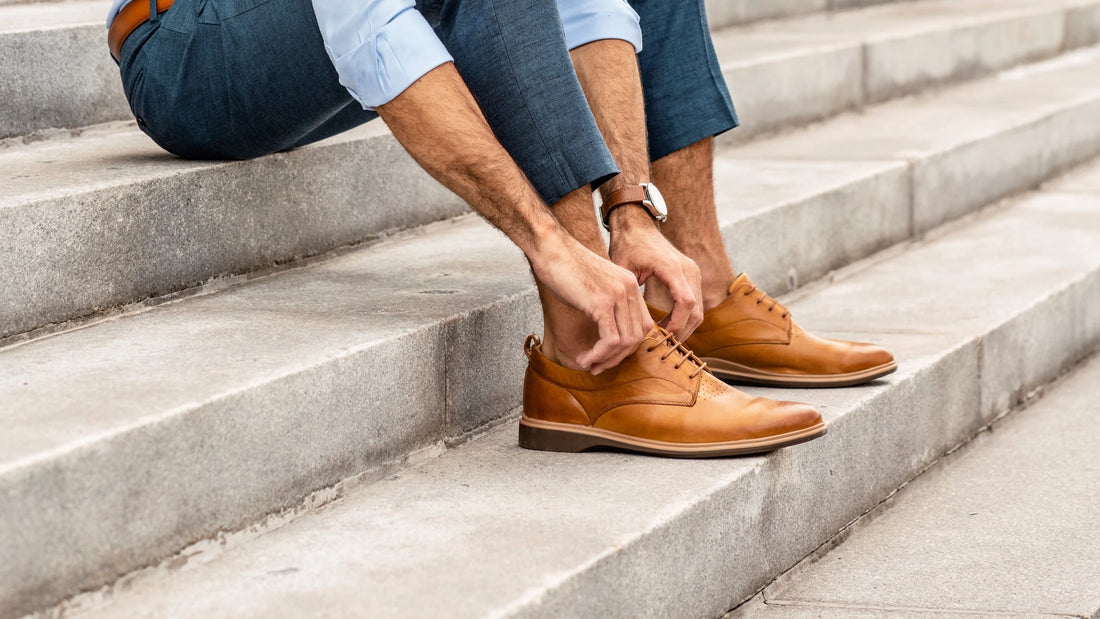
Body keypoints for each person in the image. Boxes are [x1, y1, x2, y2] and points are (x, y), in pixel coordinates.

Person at [107, 0, 896, 457]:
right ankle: (588, 350)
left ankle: (702, 290)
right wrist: (554, 245)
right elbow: (369, 24)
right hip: (186, 44)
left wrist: (629, 206)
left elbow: (591, 5)